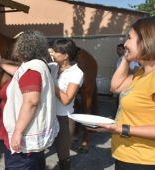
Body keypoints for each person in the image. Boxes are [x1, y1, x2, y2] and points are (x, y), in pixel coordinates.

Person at [93, 17, 155, 169]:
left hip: (143, 161)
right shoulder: (140, 72)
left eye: (129, 38)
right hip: (126, 155)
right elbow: (115, 87)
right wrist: (126, 59)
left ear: (147, 41)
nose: (125, 44)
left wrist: (121, 129)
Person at [0, 30, 59, 169]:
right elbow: (19, 73)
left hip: (25, 140)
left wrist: (18, 132)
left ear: (21, 48)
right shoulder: (38, 65)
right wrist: (1, 64)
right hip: (33, 140)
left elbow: (31, 102)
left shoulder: (31, 69)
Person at [49, 39, 83, 170]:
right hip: (49, 115)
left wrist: (51, 82)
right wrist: (3, 62)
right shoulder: (53, 67)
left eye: (56, 51)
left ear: (66, 55)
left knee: (62, 153)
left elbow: (66, 99)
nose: (53, 53)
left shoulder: (77, 73)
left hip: (64, 118)